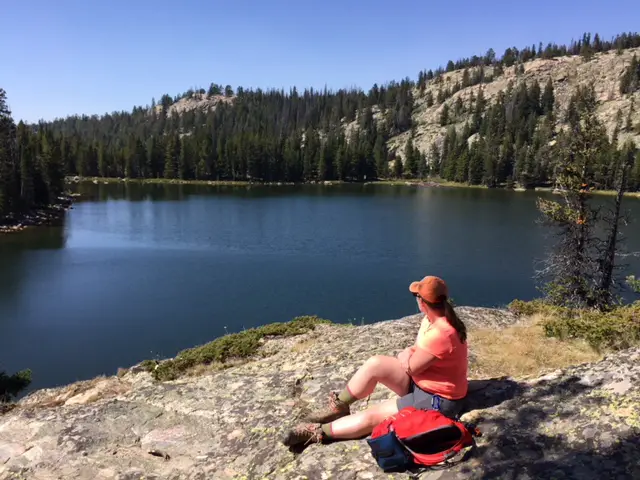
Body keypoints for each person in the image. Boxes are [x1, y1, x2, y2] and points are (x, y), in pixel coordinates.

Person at [282, 275, 468, 447]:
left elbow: (411, 367)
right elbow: (417, 351)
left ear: (422, 301)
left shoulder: (442, 333)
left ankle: (318, 432)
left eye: (416, 296)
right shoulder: (431, 319)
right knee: (375, 363)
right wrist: (408, 355)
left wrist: (405, 356)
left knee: (373, 415)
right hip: (422, 382)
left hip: (436, 398)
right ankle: (339, 407)